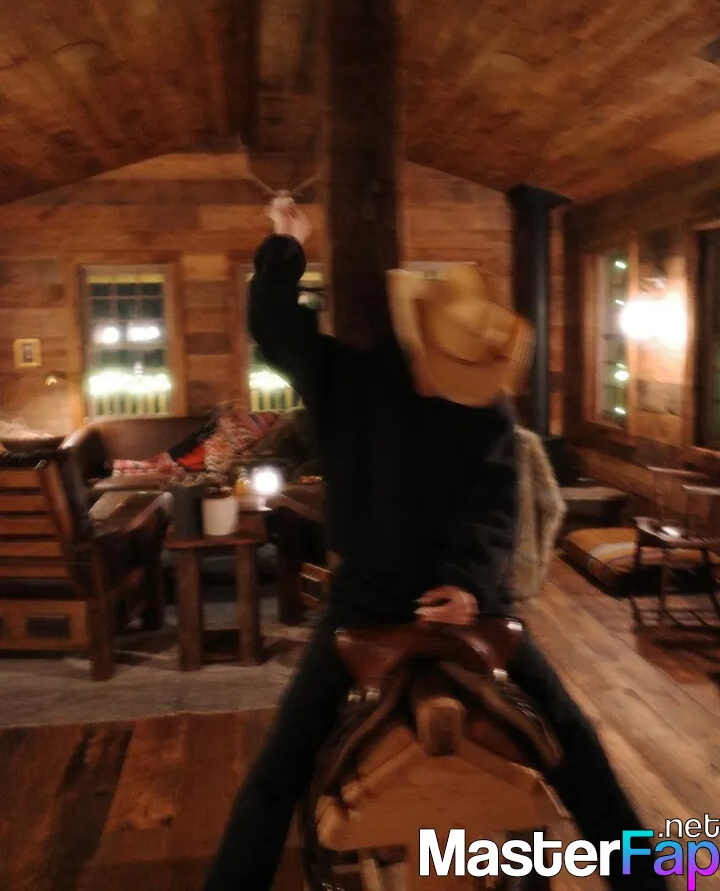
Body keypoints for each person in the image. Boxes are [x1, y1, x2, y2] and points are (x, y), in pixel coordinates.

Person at [204, 201, 667, 891]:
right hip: (368, 598)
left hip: (471, 601)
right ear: (418, 338)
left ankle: (648, 883)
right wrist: (286, 243)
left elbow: (495, 507)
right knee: (283, 760)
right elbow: (274, 325)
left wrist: (469, 584)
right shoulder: (348, 378)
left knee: (573, 740)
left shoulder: (487, 408)